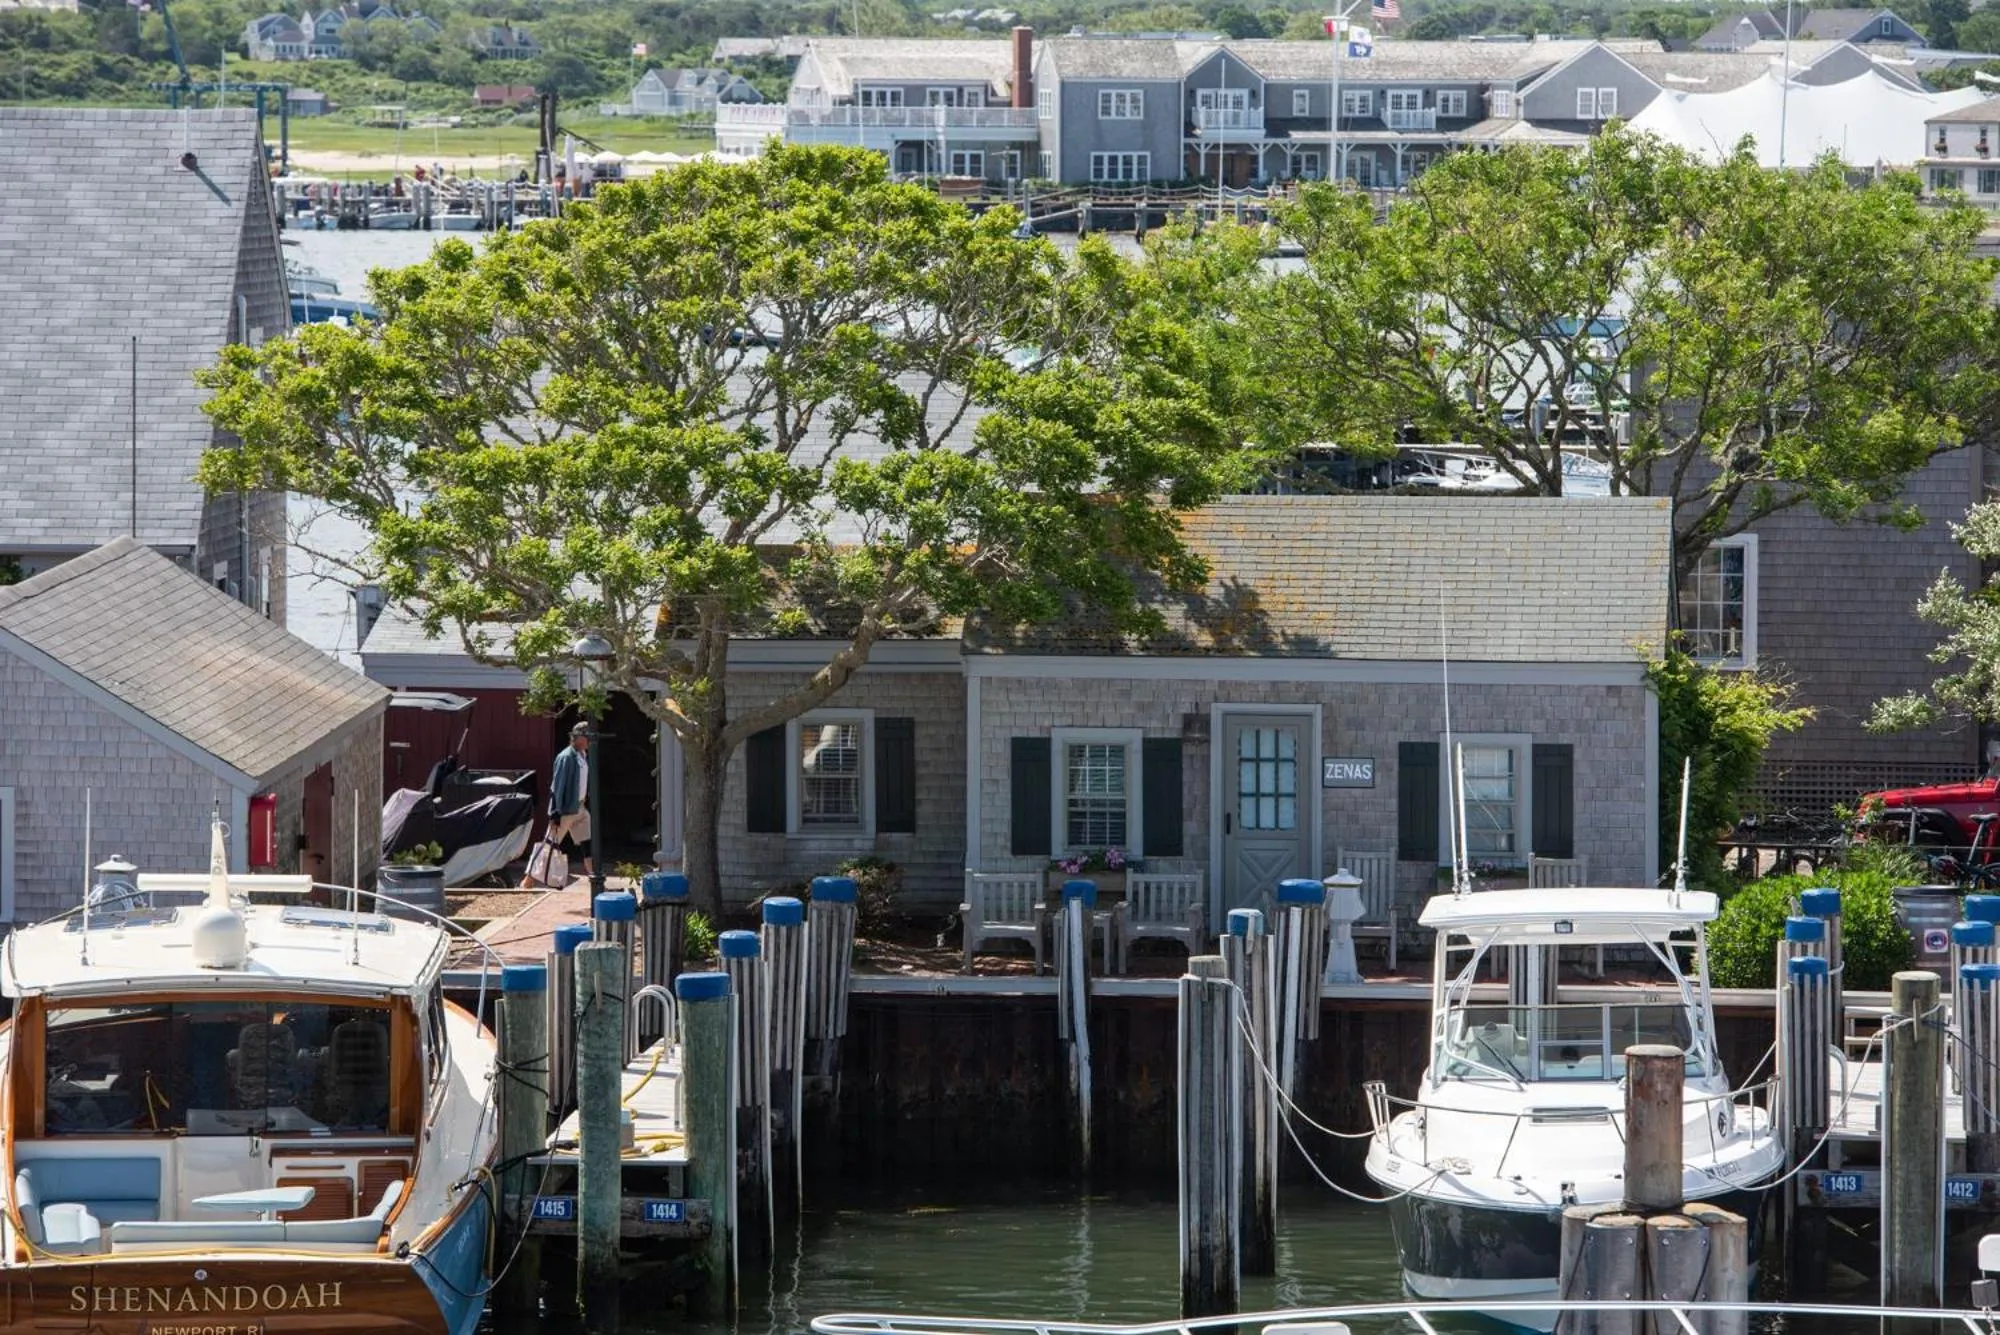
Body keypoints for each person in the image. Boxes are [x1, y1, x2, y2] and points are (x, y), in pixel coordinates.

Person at [523, 721, 593, 886]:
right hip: (566, 810)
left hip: (580, 807)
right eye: (587, 737)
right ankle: (528, 878)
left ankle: (592, 874)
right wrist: (554, 813)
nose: (590, 741)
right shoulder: (566, 757)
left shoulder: (582, 755)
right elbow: (557, 786)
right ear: (579, 738)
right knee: (550, 844)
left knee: (587, 841)